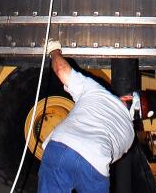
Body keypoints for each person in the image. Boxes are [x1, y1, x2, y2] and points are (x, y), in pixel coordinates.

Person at [37, 39, 136, 192]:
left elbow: (62, 70)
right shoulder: (130, 135)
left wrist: (53, 50)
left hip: (62, 144)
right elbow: (111, 156)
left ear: (126, 98)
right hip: (95, 161)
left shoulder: (96, 90)